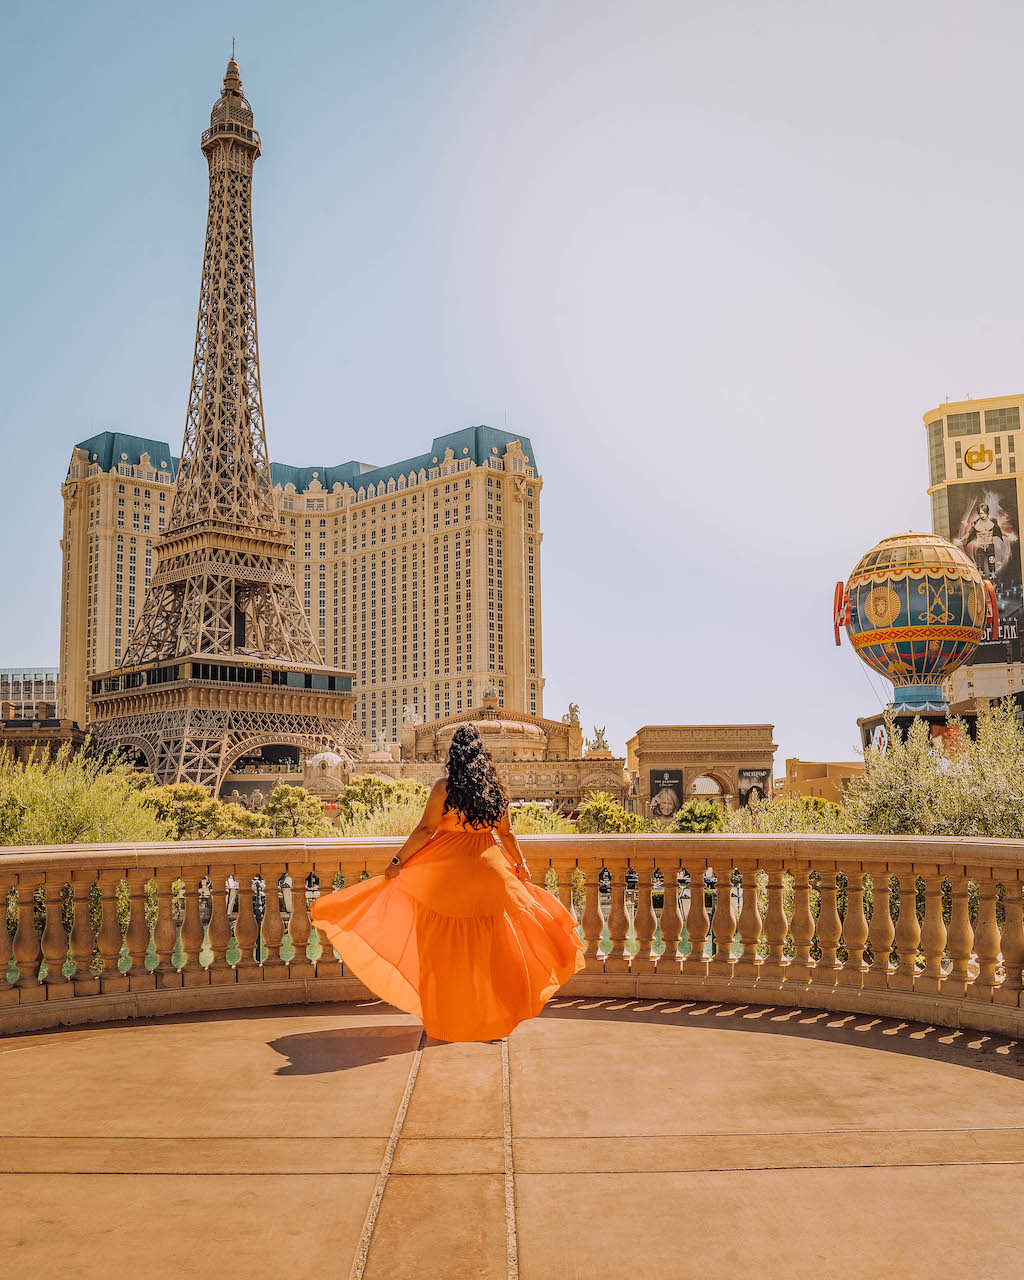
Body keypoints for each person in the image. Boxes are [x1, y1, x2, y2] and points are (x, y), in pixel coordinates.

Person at [309, 724, 584, 1042]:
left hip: (447, 875)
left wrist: (397, 861)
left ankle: (444, 1018)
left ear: (454, 755)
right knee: (490, 953)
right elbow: (506, 833)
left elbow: (425, 830)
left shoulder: (444, 787)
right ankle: (493, 1018)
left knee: (439, 953)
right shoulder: (495, 789)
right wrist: (521, 866)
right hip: (489, 872)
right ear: (484, 758)